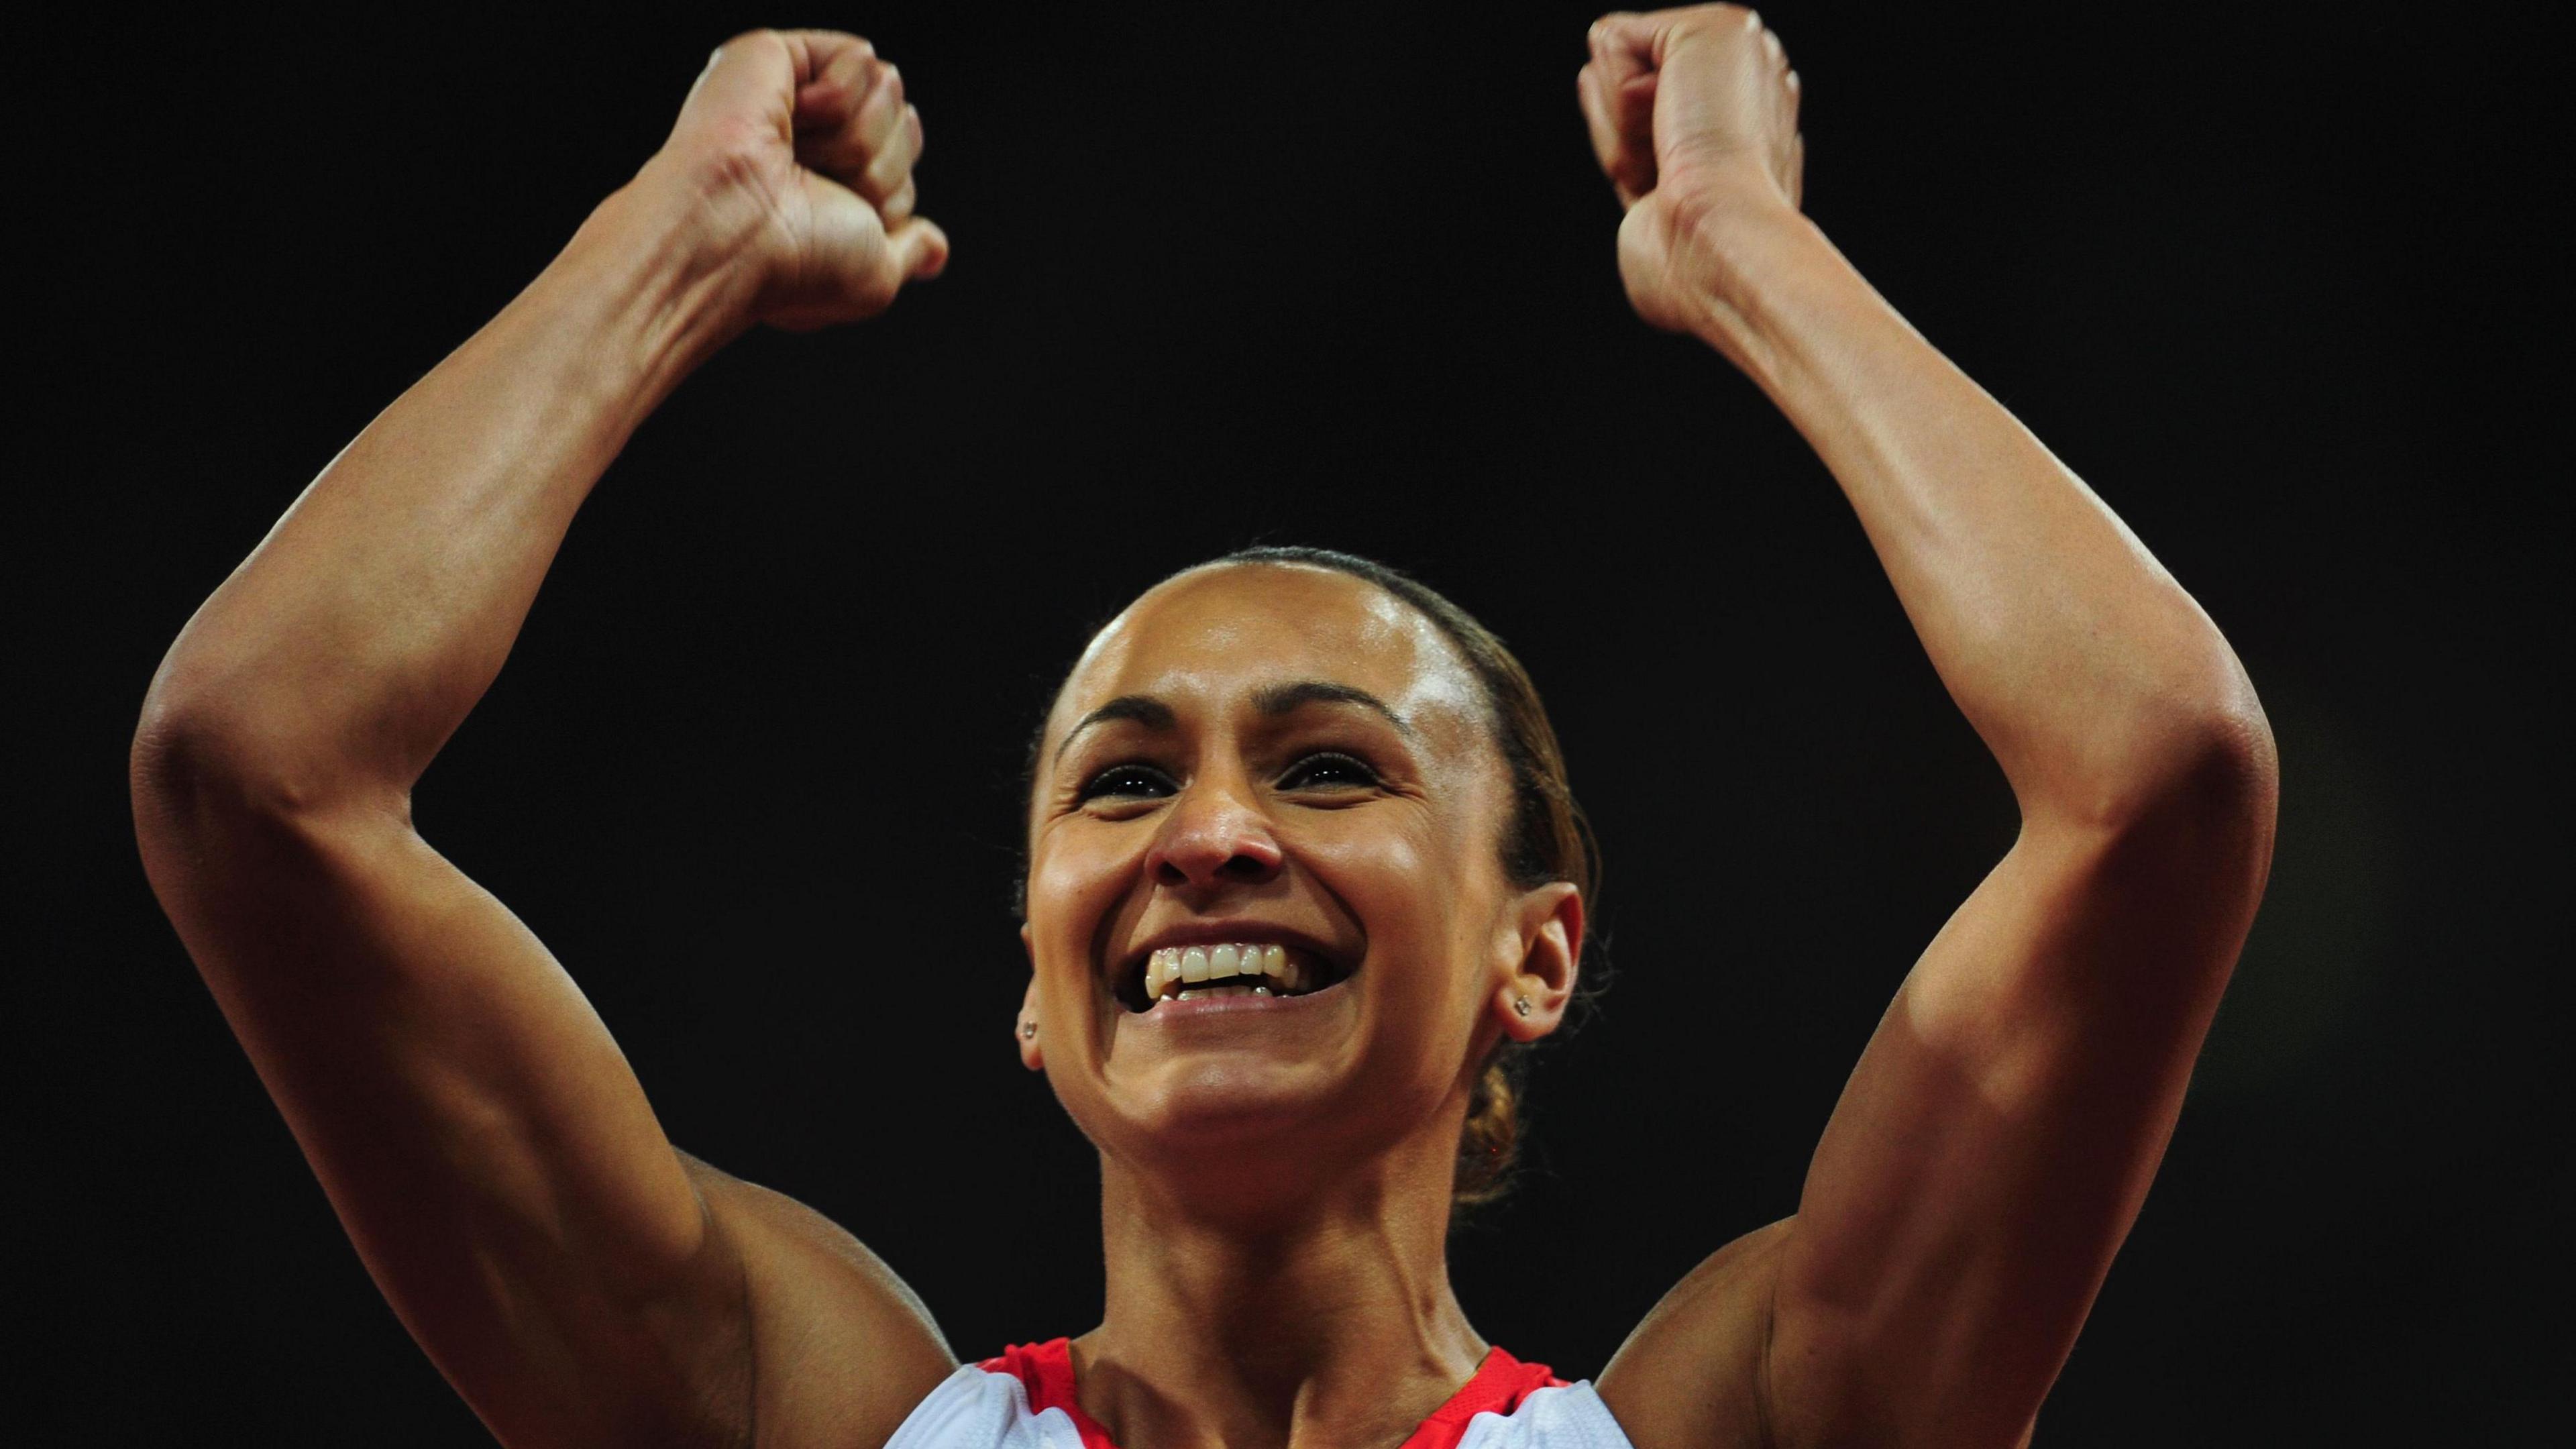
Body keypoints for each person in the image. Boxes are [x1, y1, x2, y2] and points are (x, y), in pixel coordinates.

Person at [128, 8, 2278, 1447]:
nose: (1210, 836)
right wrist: (671, 246)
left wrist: (1739, 248)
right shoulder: (807, 1416)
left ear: (1539, 946)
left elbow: (2155, 777)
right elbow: (255, 771)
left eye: (1332, 763)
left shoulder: (1757, 1419)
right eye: (1125, 777)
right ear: (1039, 993)